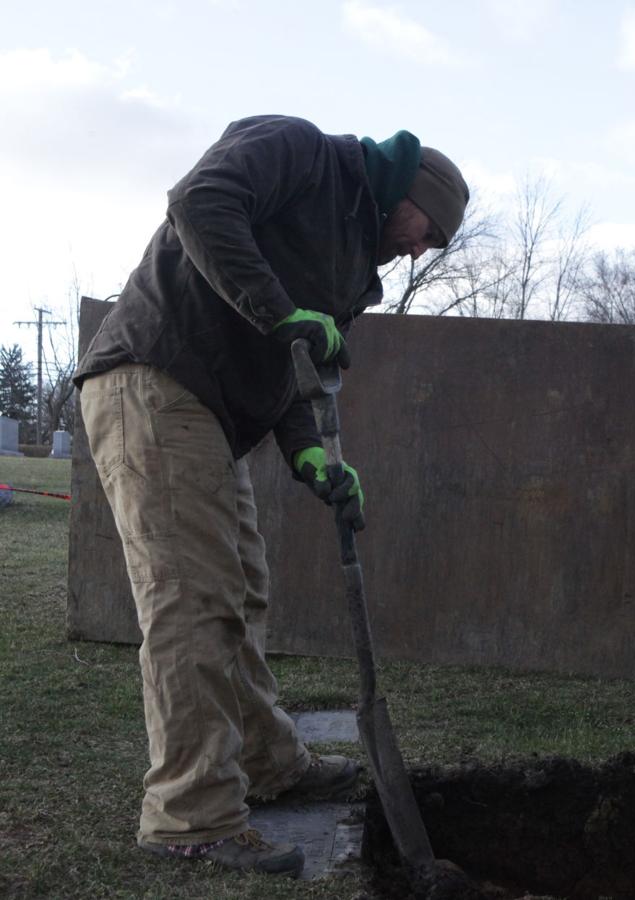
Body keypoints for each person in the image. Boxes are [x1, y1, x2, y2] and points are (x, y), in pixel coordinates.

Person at [73, 115, 470, 877]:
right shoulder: (299, 151)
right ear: (410, 192)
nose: (425, 247)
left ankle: (266, 762)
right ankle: (189, 816)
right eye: (431, 231)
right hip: (155, 378)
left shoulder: (354, 268)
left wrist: (315, 456)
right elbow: (198, 203)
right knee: (195, 599)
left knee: (244, 591)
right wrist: (279, 309)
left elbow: (295, 364)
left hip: (215, 416)